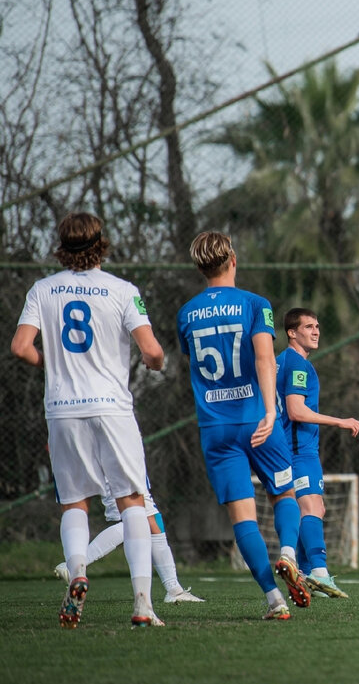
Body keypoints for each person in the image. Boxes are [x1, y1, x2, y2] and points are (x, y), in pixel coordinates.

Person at [11, 212, 165, 628]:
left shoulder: (42, 289)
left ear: (62, 246)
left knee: (73, 500)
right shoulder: (122, 290)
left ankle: (78, 571)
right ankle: (142, 603)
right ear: (101, 244)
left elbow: (20, 346)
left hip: (63, 409)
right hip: (112, 407)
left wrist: (53, 365)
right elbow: (151, 351)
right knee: (133, 500)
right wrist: (156, 361)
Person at [177, 231, 310, 620]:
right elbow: (266, 360)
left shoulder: (186, 313)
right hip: (257, 420)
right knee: (285, 495)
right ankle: (288, 553)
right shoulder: (256, 304)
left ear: (201, 268)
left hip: (216, 429)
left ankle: (274, 599)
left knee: (243, 518)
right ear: (232, 259)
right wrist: (271, 411)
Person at [276, 307, 359, 598]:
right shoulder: (297, 365)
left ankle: (300, 573)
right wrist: (340, 421)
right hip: (299, 450)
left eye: (317, 326)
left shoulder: (280, 362)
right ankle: (320, 572)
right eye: (308, 326)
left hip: (287, 448)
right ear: (292, 332)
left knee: (312, 509)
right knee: (312, 508)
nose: (316, 332)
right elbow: (296, 410)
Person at [53, 481, 205, 604]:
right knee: (136, 519)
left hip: (115, 457)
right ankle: (73, 565)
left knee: (152, 521)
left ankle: (174, 590)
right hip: (117, 458)